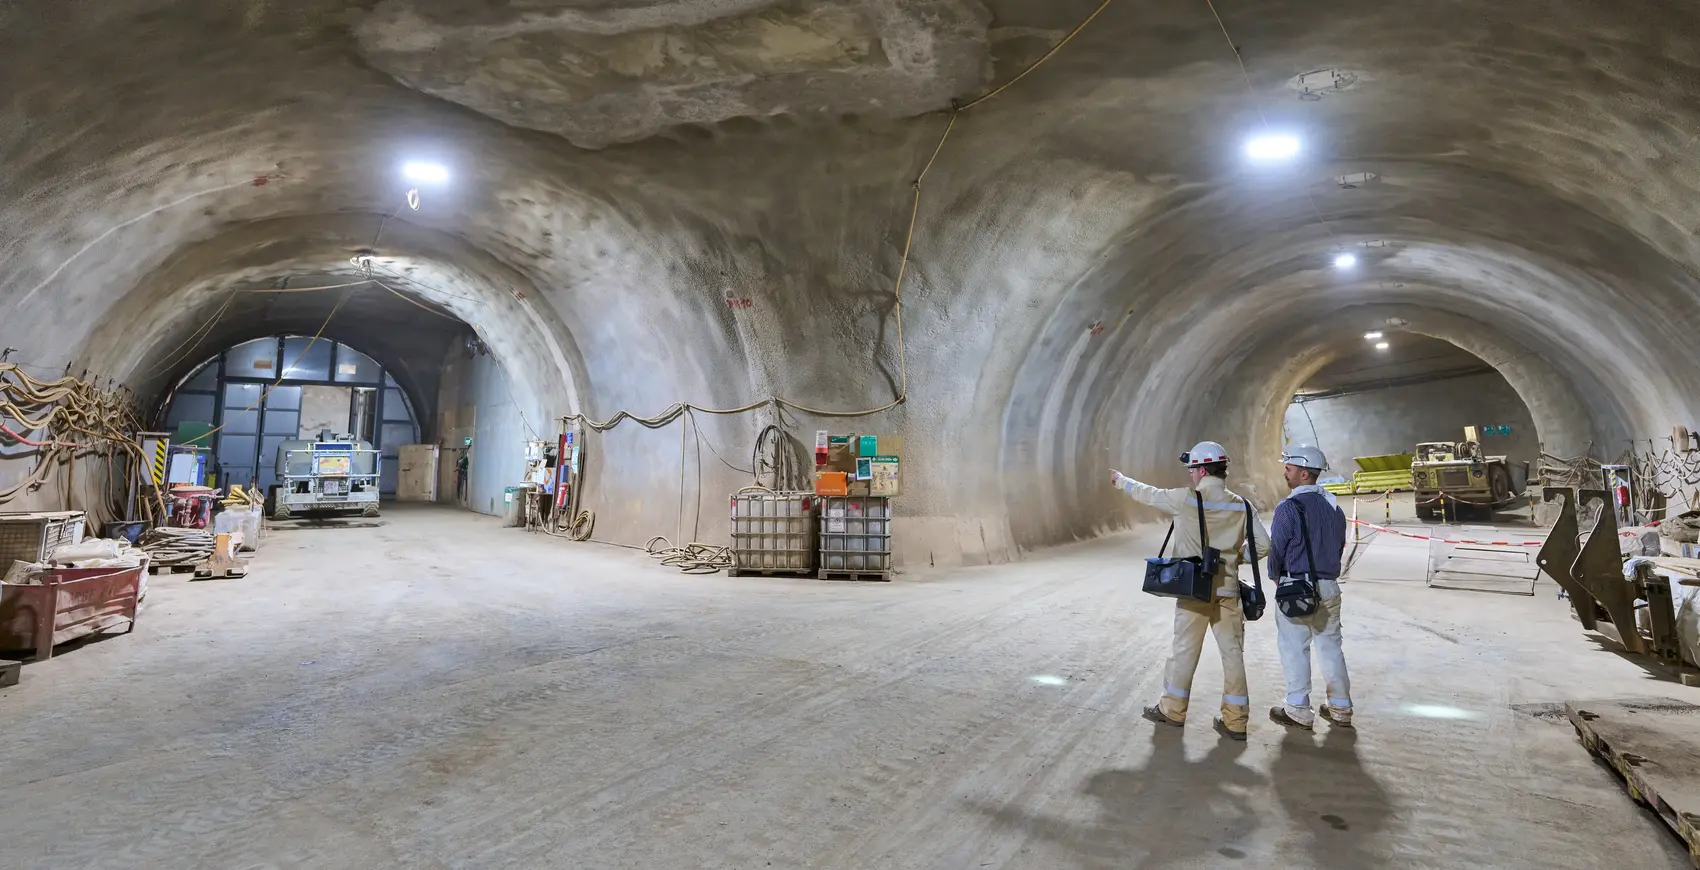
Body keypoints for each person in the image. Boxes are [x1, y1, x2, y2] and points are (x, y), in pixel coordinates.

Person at [1112, 441, 1270, 740]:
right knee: (1233, 655)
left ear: (1201, 469)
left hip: (1193, 590)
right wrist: (1236, 557)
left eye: (1192, 470)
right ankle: (1236, 721)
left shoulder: (1186, 499)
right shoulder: (1241, 505)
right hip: (1228, 590)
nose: (1190, 476)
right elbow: (1263, 545)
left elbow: (1149, 494)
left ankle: (1173, 710)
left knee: (1184, 652)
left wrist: (1122, 481)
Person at [1265, 445, 1353, 730]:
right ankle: (1340, 708)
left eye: (1288, 468)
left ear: (1304, 473)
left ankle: (1298, 708)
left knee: (1294, 648)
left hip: (1297, 587)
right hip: (1329, 587)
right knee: (1330, 648)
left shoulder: (1288, 508)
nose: (1285, 472)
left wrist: (1275, 575)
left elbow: (1276, 548)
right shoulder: (1334, 508)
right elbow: (1339, 546)